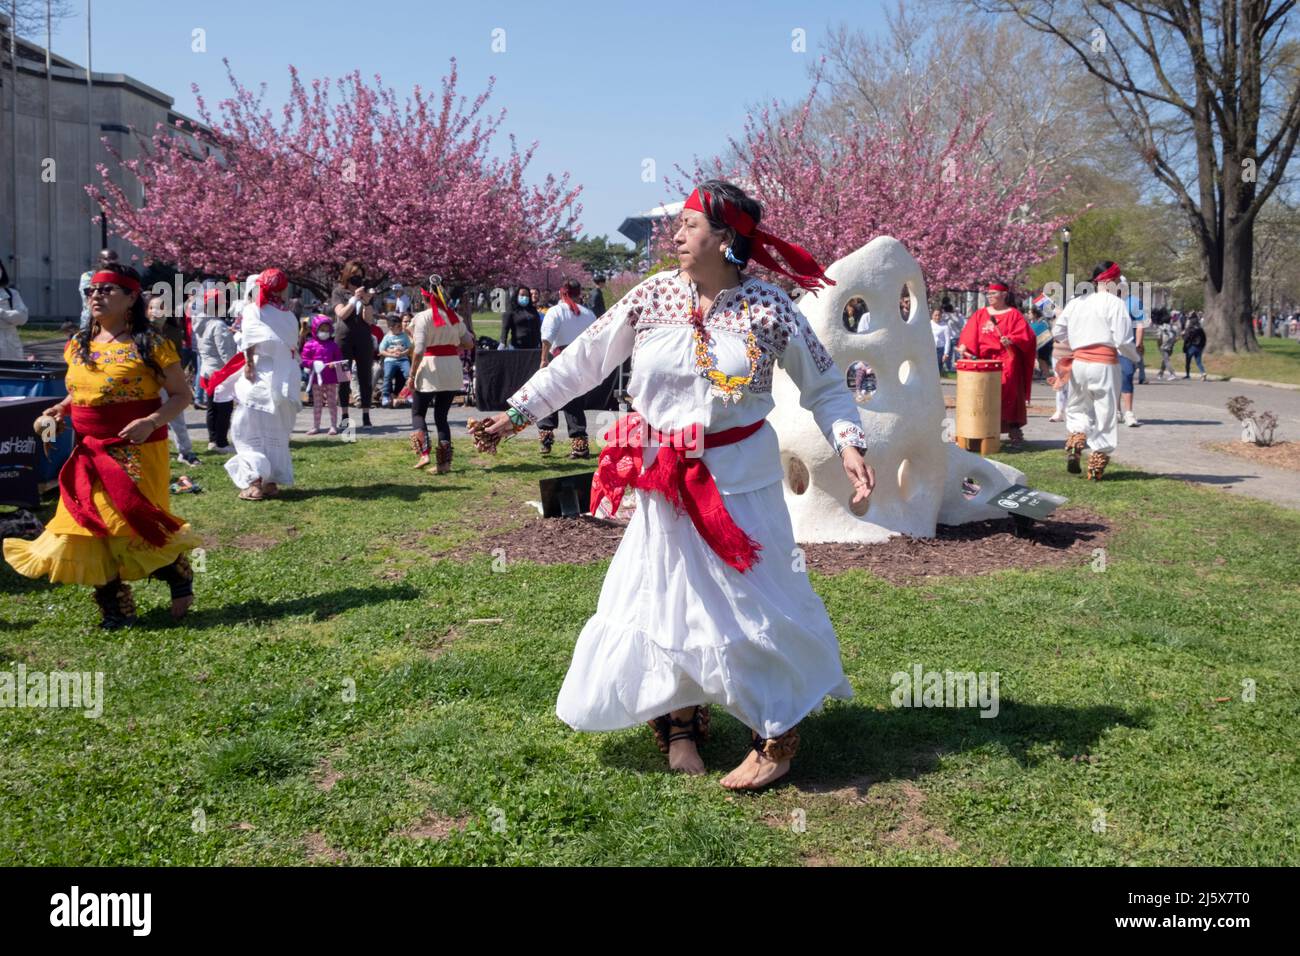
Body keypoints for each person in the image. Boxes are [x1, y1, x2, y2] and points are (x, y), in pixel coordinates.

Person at [480, 179, 873, 790]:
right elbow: (583, 359)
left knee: (753, 601)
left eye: (690, 226)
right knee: (665, 598)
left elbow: (824, 386)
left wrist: (849, 443)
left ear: (724, 238)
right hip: (664, 480)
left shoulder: (770, 308)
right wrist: (517, 415)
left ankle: (777, 736)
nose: (676, 236)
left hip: (739, 482)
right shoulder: (653, 296)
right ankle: (679, 722)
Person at [3, 263, 201, 628]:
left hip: (136, 450)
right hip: (87, 450)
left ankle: (176, 573)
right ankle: (115, 606)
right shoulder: (78, 344)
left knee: (132, 520)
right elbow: (78, 392)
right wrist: (60, 410)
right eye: (92, 290)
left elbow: (181, 395)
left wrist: (152, 421)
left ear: (131, 298)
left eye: (107, 289)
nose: (96, 295)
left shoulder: (152, 344)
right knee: (88, 523)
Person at [1051, 260, 1139, 480]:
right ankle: (1097, 460)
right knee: (1105, 412)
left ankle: (1077, 438)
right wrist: (1135, 357)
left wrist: (1079, 338)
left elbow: (1058, 331)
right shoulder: (1115, 303)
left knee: (1077, 406)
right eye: (1118, 280)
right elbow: (1123, 340)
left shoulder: (1076, 302)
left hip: (1079, 362)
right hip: (1105, 363)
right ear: (1111, 280)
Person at [221, 270, 302, 500]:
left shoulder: (254, 310)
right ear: (282, 289)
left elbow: (249, 339)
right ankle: (270, 481)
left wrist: (248, 363)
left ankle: (256, 482)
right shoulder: (288, 315)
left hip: (260, 374)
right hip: (284, 378)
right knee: (275, 428)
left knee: (247, 428)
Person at [954, 281, 1037, 446]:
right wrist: (964, 345)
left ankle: (1014, 428)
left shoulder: (1014, 314)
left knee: (1009, 394)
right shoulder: (980, 314)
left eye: (993, 294)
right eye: (989, 294)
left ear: (1004, 295)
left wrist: (1011, 339)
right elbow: (970, 333)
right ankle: (980, 429)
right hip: (986, 360)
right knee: (983, 395)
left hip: (1007, 359)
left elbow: (1027, 336)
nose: (990, 297)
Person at [408, 284, 475, 472]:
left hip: (430, 367)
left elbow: (419, 349)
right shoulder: (454, 317)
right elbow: (469, 342)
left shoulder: (422, 318)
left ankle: (424, 453)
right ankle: (444, 463)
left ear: (425, 299)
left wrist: (412, 374)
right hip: (451, 367)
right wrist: (452, 342)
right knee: (441, 416)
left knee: (418, 412)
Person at [533, 279, 598, 457]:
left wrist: (543, 359)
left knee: (549, 396)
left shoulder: (556, 311)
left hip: (561, 360)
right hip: (579, 362)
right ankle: (579, 445)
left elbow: (547, 337)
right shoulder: (588, 314)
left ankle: (546, 437)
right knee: (574, 402)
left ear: (562, 293)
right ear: (579, 293)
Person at [147, 294, 201, 466]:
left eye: (161, 307)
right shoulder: (140, 332)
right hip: (147, 381)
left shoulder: (173, 331)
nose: (156, 312)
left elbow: (177, 358)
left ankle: (185, 452)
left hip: (167, 380)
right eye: (152, 308)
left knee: (177, 416)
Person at [330, 261, 376, 428]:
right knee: (343, 378)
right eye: (355, 274)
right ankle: (344, 414)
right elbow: (341, 314)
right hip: (343, 339)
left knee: (365, 376)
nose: (358, 278)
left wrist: (366, 302)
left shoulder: (365, 292)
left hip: (363, 338)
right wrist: (354, 298)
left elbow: (369, 320)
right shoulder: (338, 292)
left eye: (361, 275)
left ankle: (366, 414)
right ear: (348, 274)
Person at [193, 289, 237, 453]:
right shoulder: (218, 325)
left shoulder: (200, 322)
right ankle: (222, 443)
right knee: (224, 409)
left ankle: (213, 440)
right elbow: (225, 353)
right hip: (220, 372)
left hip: (206, 370)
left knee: (212, 408)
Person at [300, 314, 344, 435]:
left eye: (327, 330)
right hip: (316, 379)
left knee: (332, 403)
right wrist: (312, 364)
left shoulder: (333, 345)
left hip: (331, 378)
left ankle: (333, 425)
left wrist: (334, 364)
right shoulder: (309, 345)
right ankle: (316, 426)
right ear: (315, 329)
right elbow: (304, 360)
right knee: (317, 403)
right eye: (321, 329)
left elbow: (339, 359)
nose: (324, 332)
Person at [1120, 281, 1149, 425]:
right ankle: (1116, 411)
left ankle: (1129, 412)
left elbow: (1140, 324)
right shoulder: (1107, 301)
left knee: (1127, 374)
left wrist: (1138, 344)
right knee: (1110, 379)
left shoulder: (1133, 302)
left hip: (1127, 346)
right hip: (1109, 346)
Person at [379, 314, 412, 407]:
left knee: (408, 375)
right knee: (387, 375)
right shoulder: (387, 337)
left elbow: (409, 348)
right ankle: (385, 395)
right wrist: (391, 354)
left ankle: (409, 394)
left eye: (400, 326)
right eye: (398, 327)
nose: (401, 328)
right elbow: (382, 350)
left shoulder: (404, 336)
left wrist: (403, 353)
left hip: (403, 359)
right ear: (391, 328)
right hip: (390, 360)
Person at [0, 262, 29, 361]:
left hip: (11, 348)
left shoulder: (12, 294)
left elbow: (22, 318)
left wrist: (2, 313)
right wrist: (9, 319)